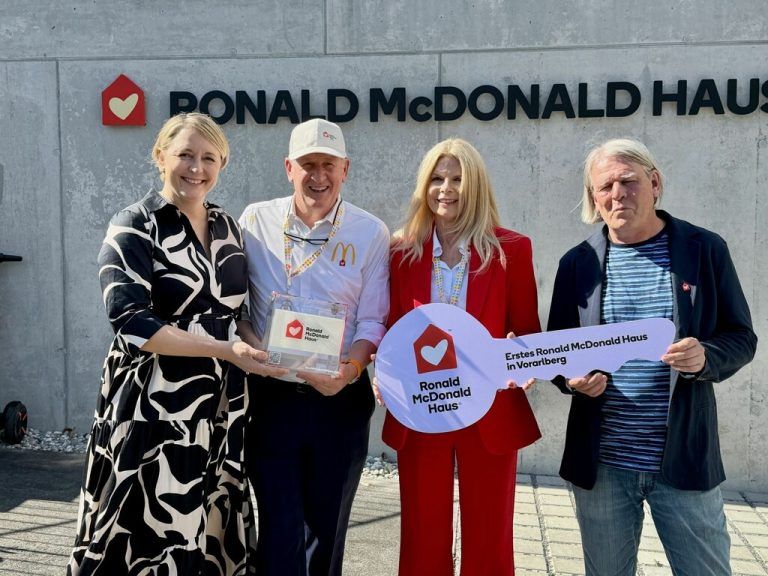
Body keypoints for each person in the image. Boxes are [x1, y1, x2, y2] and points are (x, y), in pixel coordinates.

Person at [68, 112, 286, 576]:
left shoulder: (228, 226)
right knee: (144, 529)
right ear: (160, 156)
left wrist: (264, 349)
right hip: (152, 405)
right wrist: (225, 351)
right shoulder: (134, 224)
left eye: (209, 158)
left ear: (222, 164)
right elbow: (131, 322)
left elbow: (236, 314)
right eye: (185, 154)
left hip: (220, 408)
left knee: (208, 527)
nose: (196, 168)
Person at [547, 138, 757, 576]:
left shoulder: (704, 250)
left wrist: (706, 357)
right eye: (605, 187)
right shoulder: (578, 264)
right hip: (603, 466)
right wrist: (572, 381)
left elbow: (742, 338)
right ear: (594, 198)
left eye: (628, 181)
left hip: (683, 460)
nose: (617, 194)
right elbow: (559, 353)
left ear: (655, 183)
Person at [382, 138, 542, 576]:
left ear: (477, 187)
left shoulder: (512, 249)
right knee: (422, 536)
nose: (446, 189)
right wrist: (384, 375)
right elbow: (391, 330)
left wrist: (521, 360)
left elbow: (526, 333)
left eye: (458, 179)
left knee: (490, 538)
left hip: (490, 409)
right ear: (424, 186)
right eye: (437, 178)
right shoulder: (401, 251)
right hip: (422, 408)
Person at [238, 118, 389, 575]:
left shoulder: (370, 232)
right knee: (278, 530)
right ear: (289, 168)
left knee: (326, 534)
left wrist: (350, 371)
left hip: (339, 399)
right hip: (271, 397)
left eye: (328, 164)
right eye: (308, 164)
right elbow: (237, 307)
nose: (318, 176)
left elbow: (373, 320)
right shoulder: (255, 221)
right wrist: (254, 350)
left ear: (346, 169)